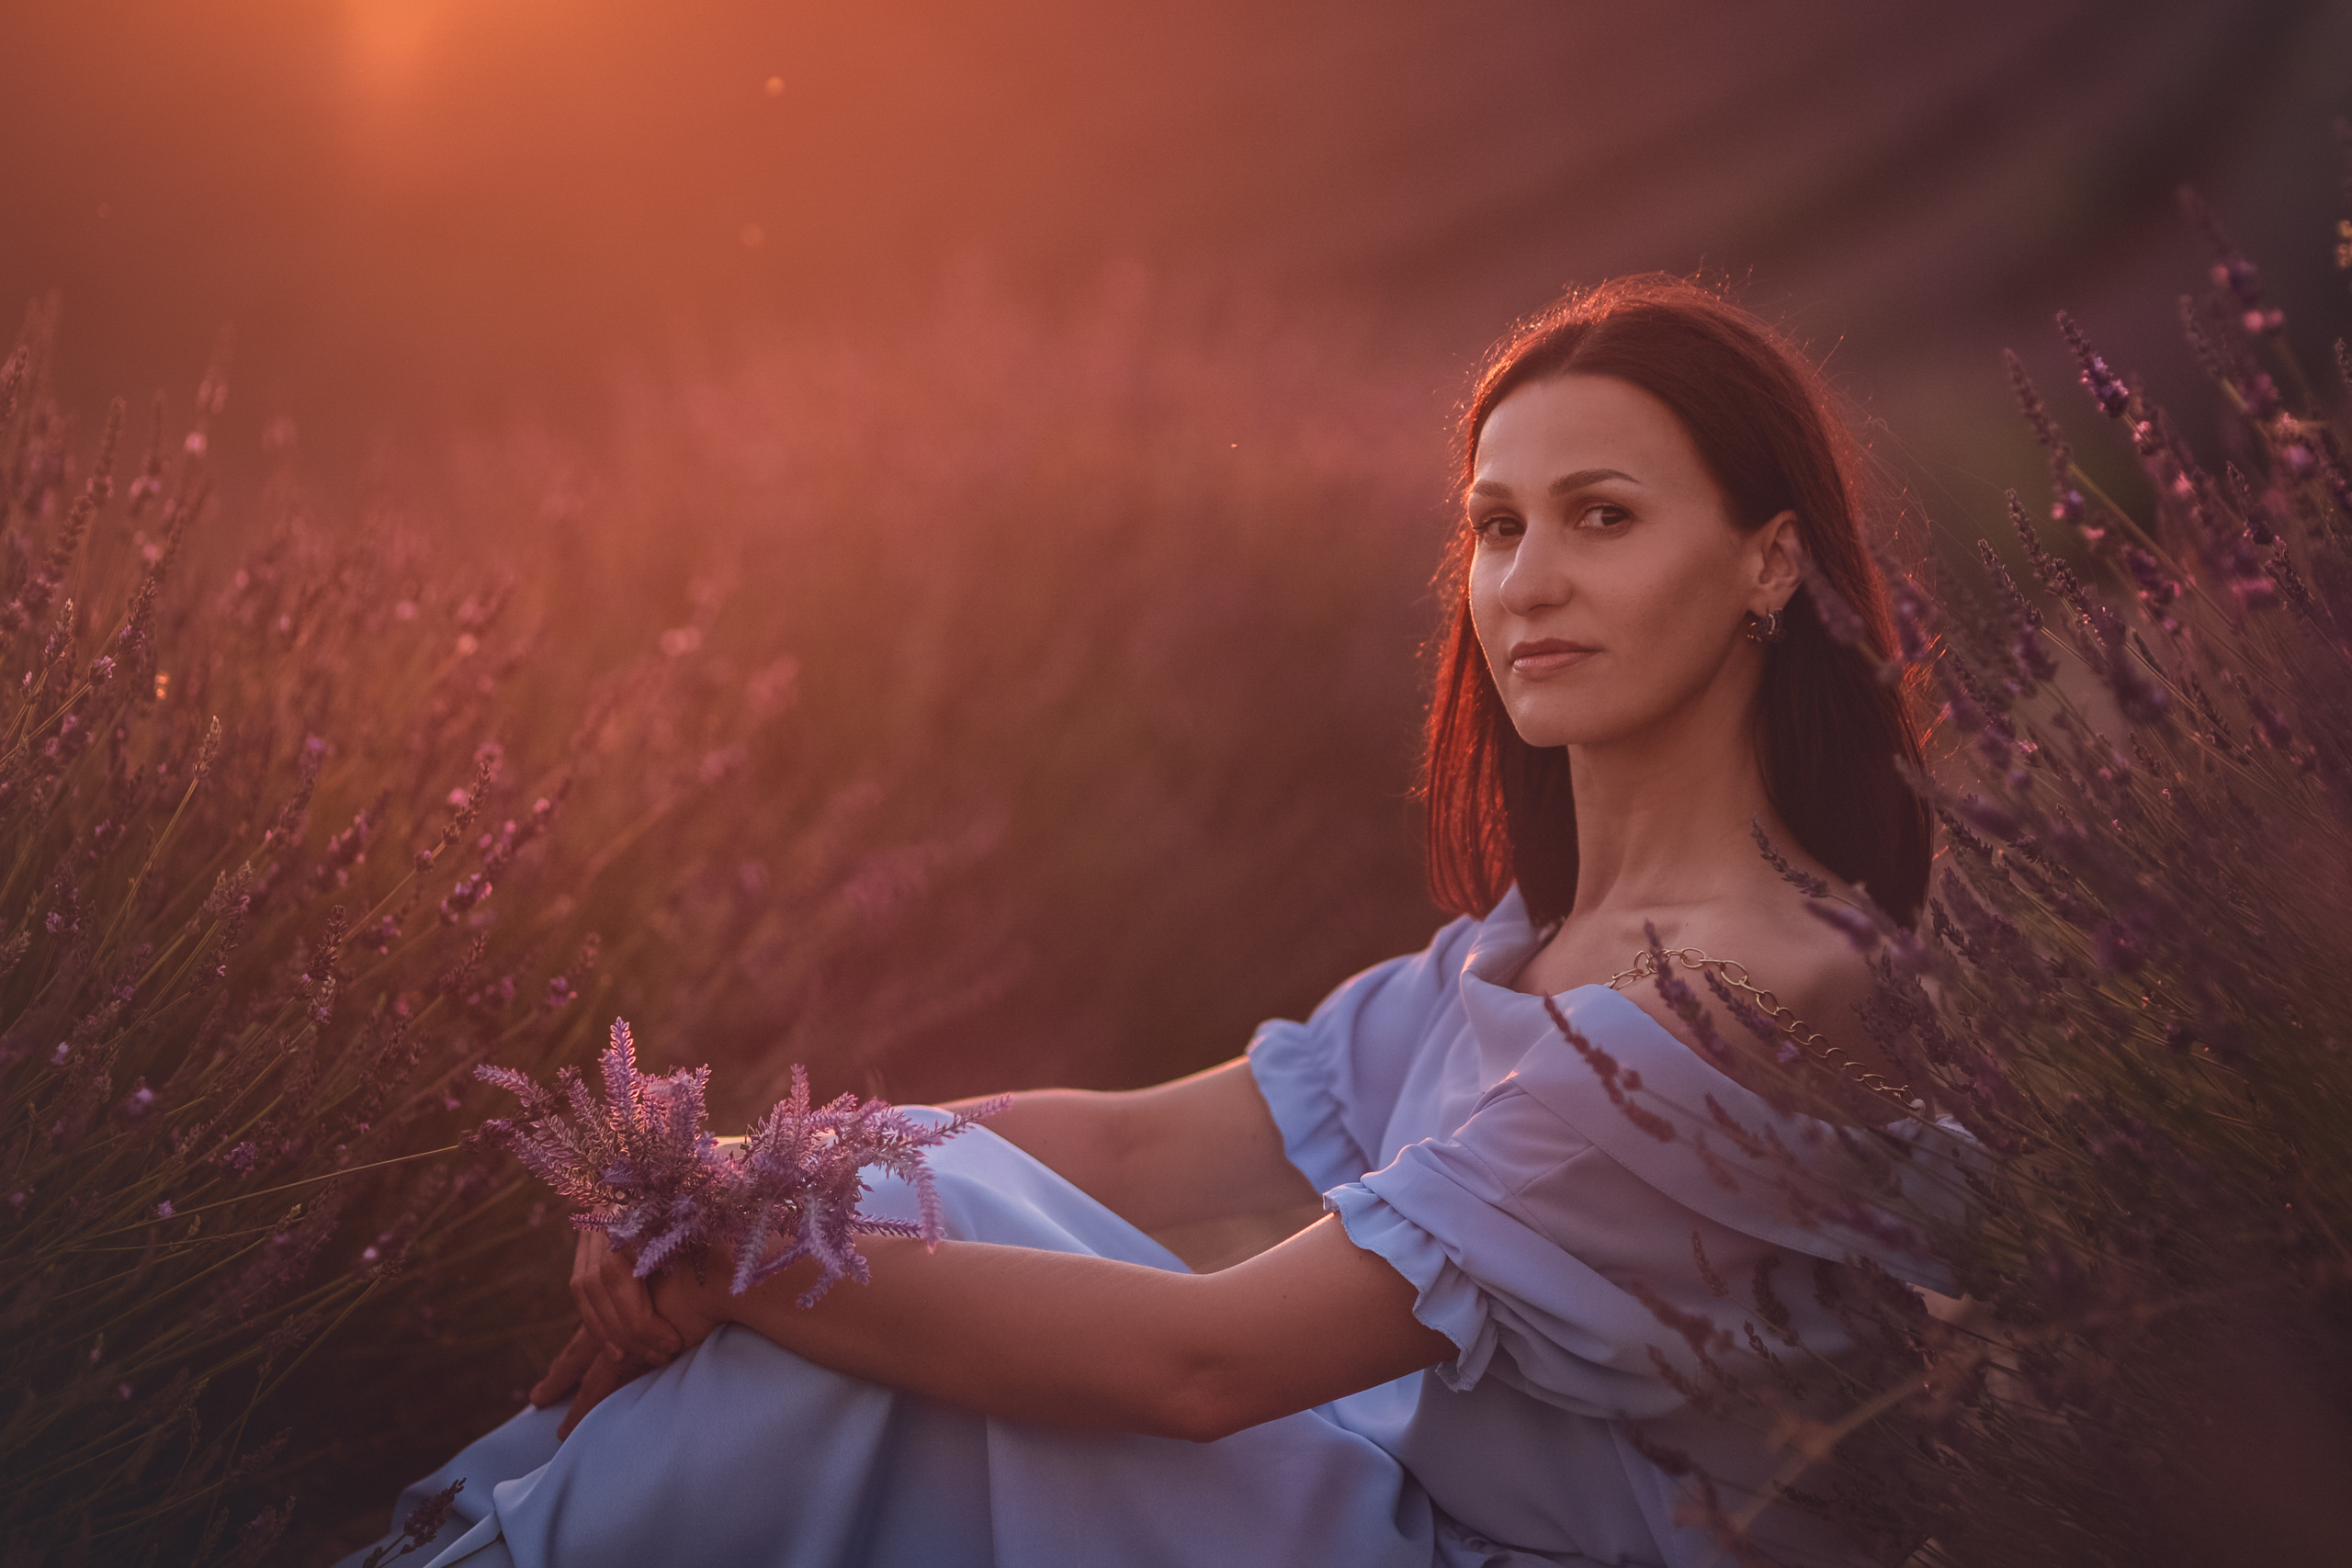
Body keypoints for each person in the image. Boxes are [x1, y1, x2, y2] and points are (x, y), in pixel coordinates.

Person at [342, 276, 1971, 1568]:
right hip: (1394, 1519)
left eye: (1602, 516)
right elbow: (1128, 1149)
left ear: (1769, 564)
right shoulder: (1523, 949)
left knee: (869, 1312)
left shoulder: (1740, 999)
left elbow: (1202, 1367)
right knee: (888, 1207)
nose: (1526, 580)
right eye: (1496, 525)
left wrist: (753, 1256)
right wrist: (716, 1183)